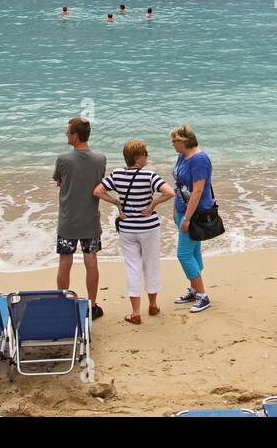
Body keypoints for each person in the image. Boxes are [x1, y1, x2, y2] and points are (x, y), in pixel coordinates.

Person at [95, 140, 174, 324]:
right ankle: (153, 305)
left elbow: (98, 191)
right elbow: (170, 192)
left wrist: (117, 203)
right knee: (151, 265)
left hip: (127, 227)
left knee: (132, 268)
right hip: (148, 227)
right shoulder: (149, 176)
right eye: (145, 154)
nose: (147, 156)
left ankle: (135, 313)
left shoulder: (117, 174)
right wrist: (153, 204)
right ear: (138, 157)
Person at [54, 117, 107, 319]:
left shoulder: (63, 160)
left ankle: (62, 303)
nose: (66, 135)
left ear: (75, 136)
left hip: (68, 220)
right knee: (91, 261)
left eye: (68, 133)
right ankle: (92, 305)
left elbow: (59, 182)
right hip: (90, 220)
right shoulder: (100, 159)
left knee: (65, 262)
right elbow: (99, 182)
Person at [170, 125, 214, 313]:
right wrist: (175, 209)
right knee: (194, 251)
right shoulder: (183, 156)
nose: (173, 145)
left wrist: (187, 218)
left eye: (174, 141)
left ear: (183, 141)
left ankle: (203, 295)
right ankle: (195, 289)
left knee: (184, 254)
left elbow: (197, 191)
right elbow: (179, 184)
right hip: (183, 208)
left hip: (195, 212)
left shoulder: (199, 160)